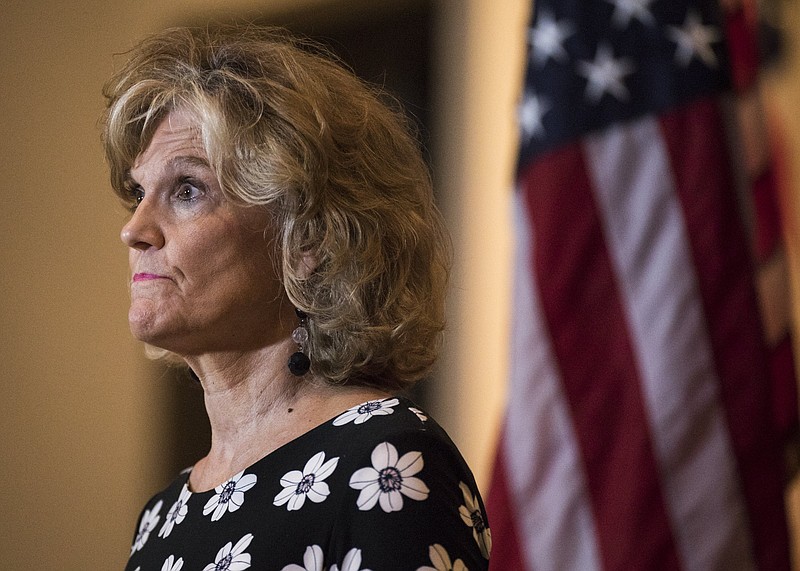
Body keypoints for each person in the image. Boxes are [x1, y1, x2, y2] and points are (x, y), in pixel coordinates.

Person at [102, 25, 491, 571]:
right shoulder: (161, 516)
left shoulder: (386, 459)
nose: (134, 229)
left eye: (187, 190)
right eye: (140, 194)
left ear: (308, 238)